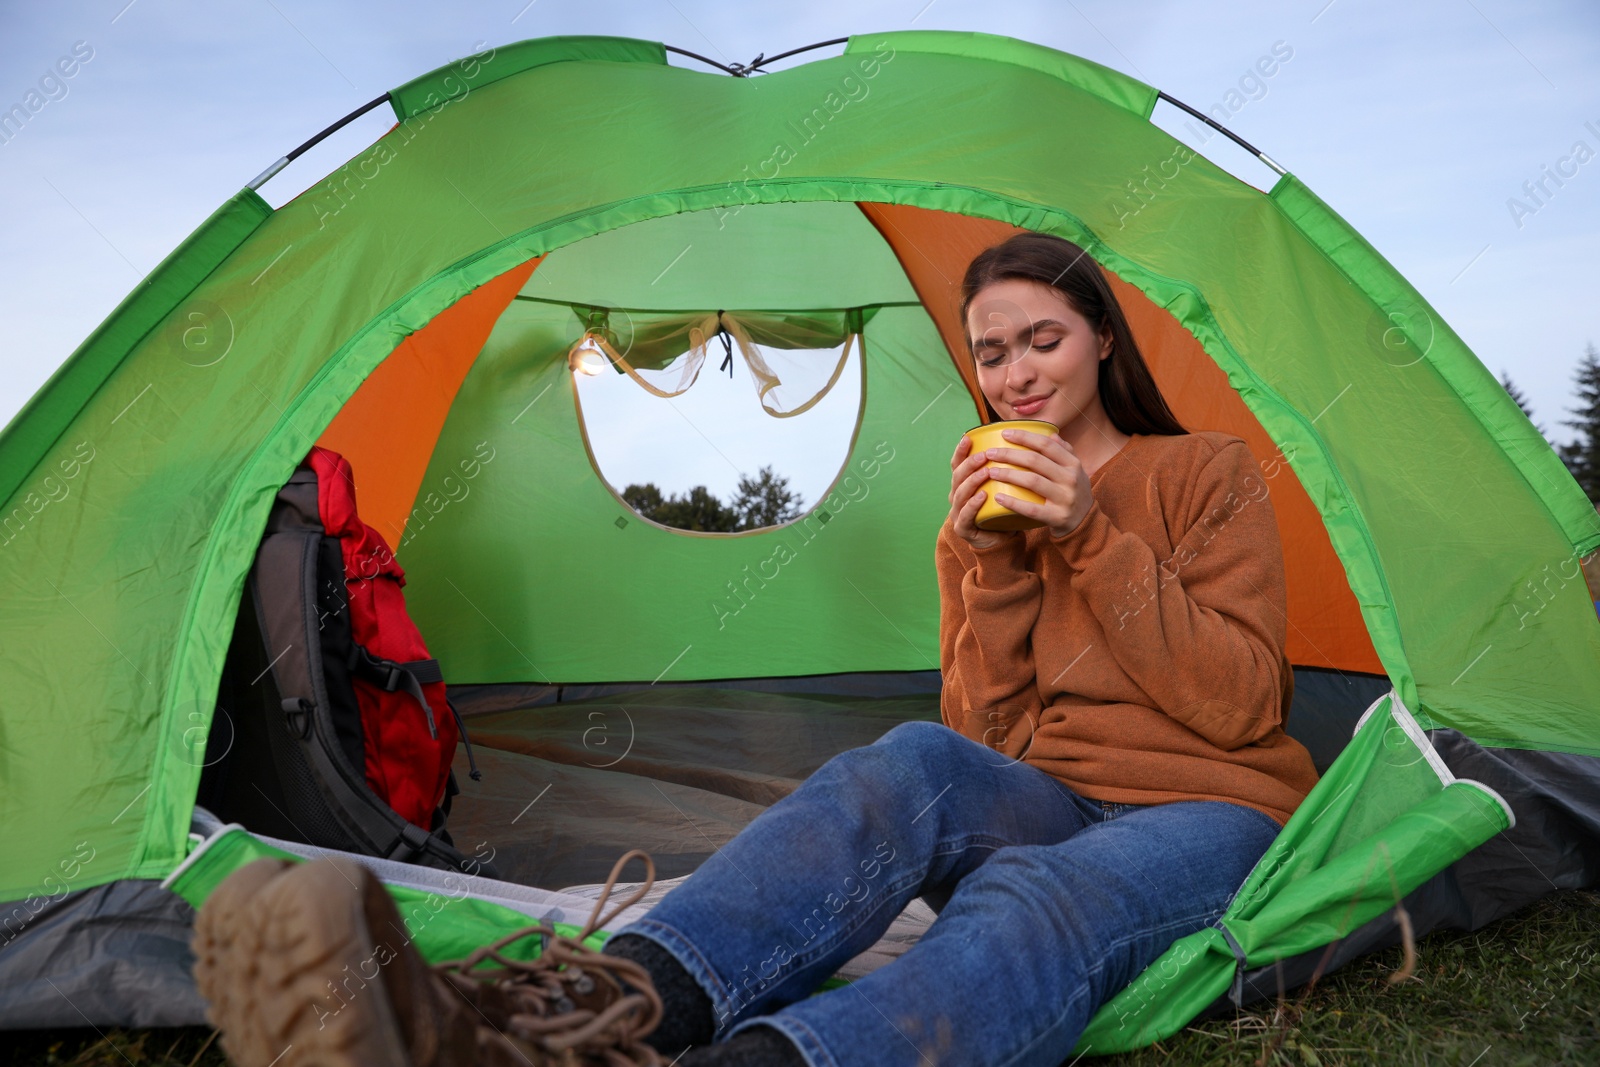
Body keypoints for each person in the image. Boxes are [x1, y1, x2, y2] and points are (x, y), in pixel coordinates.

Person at [193, 231, 1320, 1067]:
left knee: (1033, 894)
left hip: (1207, 807)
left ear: (1101, 341)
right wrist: (998, 565)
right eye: (991, 354)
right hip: (1051, 787)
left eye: (1043, 340)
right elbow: (985, 738)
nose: (1016, 374)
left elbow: (1236, 700)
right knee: (904, 761)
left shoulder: (1201, 471)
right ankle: (563, 1021)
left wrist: (1091, 533)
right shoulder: (984, 514)